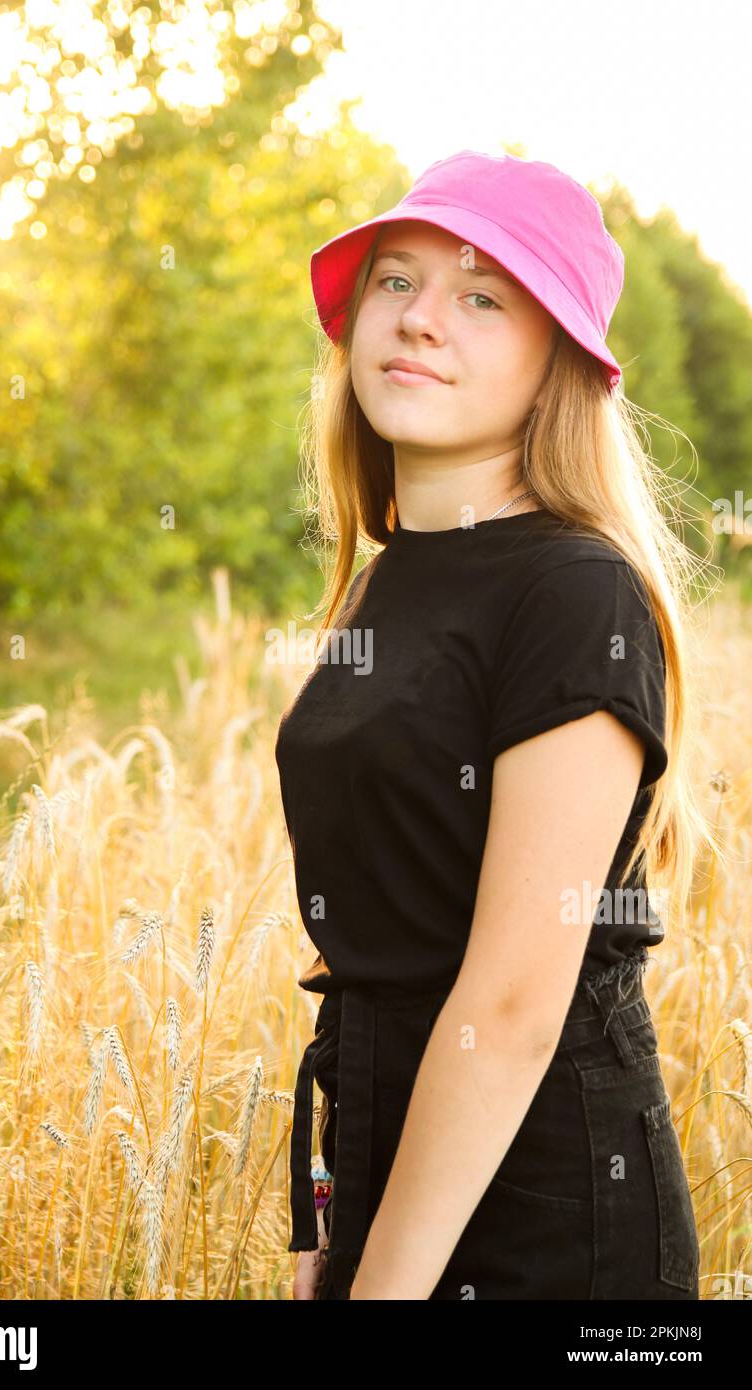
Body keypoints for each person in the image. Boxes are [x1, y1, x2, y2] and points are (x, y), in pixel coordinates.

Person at [275, 149, 717, 1301]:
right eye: (395, 281)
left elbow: (514, 1004)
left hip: (542, 1199)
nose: (421, 320)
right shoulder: (389, 580)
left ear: (554, 366)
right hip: (393, 1151)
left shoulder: (571, 590)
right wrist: (332, 1220)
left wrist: (385, 1285)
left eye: (480, 297)